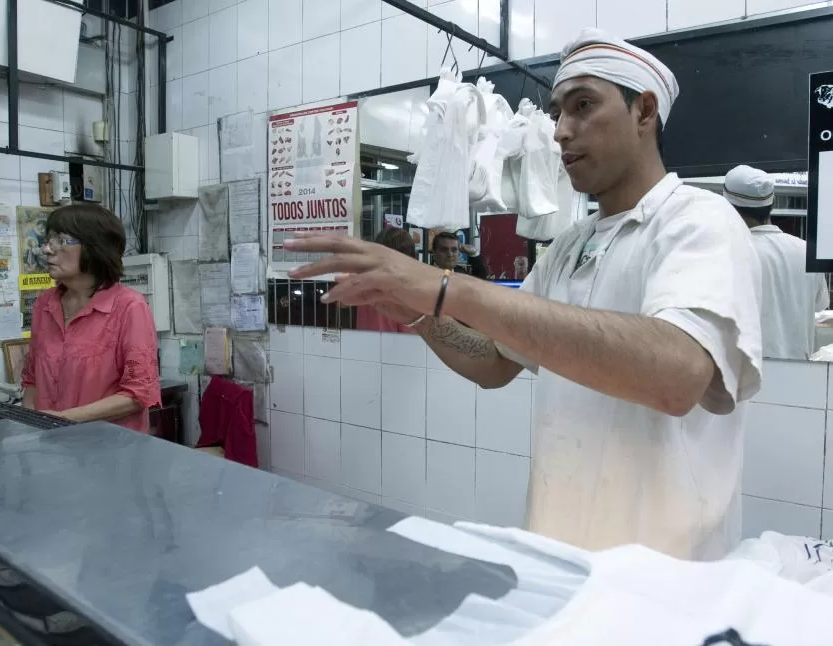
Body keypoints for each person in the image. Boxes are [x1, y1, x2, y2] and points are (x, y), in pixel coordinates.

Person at [285, 28, 762, 561]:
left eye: (583, 106)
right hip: (564, 558)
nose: (561, 131)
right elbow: (494, 361)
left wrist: (447, 288)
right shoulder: (568, 246)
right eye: (558, 112)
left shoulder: (698, 221)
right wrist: (418, 316)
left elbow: (677, 376)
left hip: (667, 578)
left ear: (644, 112)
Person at [21, 204, 160, 433]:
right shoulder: (45, 304)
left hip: (107, 451)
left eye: (62, 241)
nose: (47, 249)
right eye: (48, 240)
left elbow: (138, 394)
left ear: (94, 248)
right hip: (48, 448)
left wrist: (62, 420)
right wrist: (30, 427)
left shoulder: (129, 307)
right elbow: (32, 379)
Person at [724, 165, 829, 360]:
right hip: (800, 374)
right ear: (771, 204)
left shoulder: (727, 253)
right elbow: (819, 305)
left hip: (747, 378)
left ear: (729, 206)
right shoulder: (806, 251)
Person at [355, 228, 419, 334]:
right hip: (397, 347)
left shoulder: (365, 283)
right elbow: (410, 335)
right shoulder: (406, 290)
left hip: (365, 345)